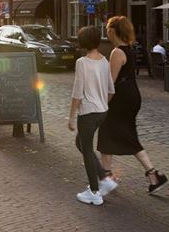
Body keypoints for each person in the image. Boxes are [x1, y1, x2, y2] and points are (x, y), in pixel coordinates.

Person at [97, 16, 168, 195]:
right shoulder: (128, 49)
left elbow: (110, 85)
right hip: (132, 96)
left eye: (107, 30)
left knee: (106, 133)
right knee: (128, 135)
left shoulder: (117, 52)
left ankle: (107, 179)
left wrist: (103, 105)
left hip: (121, 98)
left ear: (113, 31)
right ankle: (153, 175)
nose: (106, 33)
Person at [68, 26, 116, 206]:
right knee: (80, 143)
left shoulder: (82, 62)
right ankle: (105, 179)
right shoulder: (104, 61)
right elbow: (111, 90)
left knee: (86, 149)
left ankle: (95, 192)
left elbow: (77, 93)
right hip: (102, 111)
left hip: (88, 113)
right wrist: (102, 103)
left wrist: (71, 117)